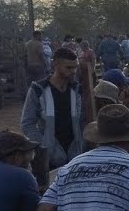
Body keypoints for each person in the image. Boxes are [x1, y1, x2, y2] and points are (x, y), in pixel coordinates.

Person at [20, 48, 85, 189]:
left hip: (76, 154)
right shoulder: (38, 90)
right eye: (69, 67)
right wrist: (43, 145)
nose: (73, 71)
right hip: (49, 159)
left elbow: (84, 121)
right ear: (56, 64)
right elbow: (27, 123)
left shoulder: (78, 91)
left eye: (75, 67)